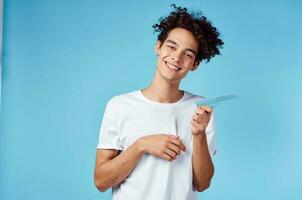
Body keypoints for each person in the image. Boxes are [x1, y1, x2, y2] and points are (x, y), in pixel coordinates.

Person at [94, 4, 224, 200]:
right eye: (171, 46)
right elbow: (101, 181)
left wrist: (198, 135)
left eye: (188, 54)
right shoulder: (119, 106)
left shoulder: (201, 109)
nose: (176, 57)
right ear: (158, 47)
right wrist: (141, 146)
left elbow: (202, 183)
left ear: (194, 64)